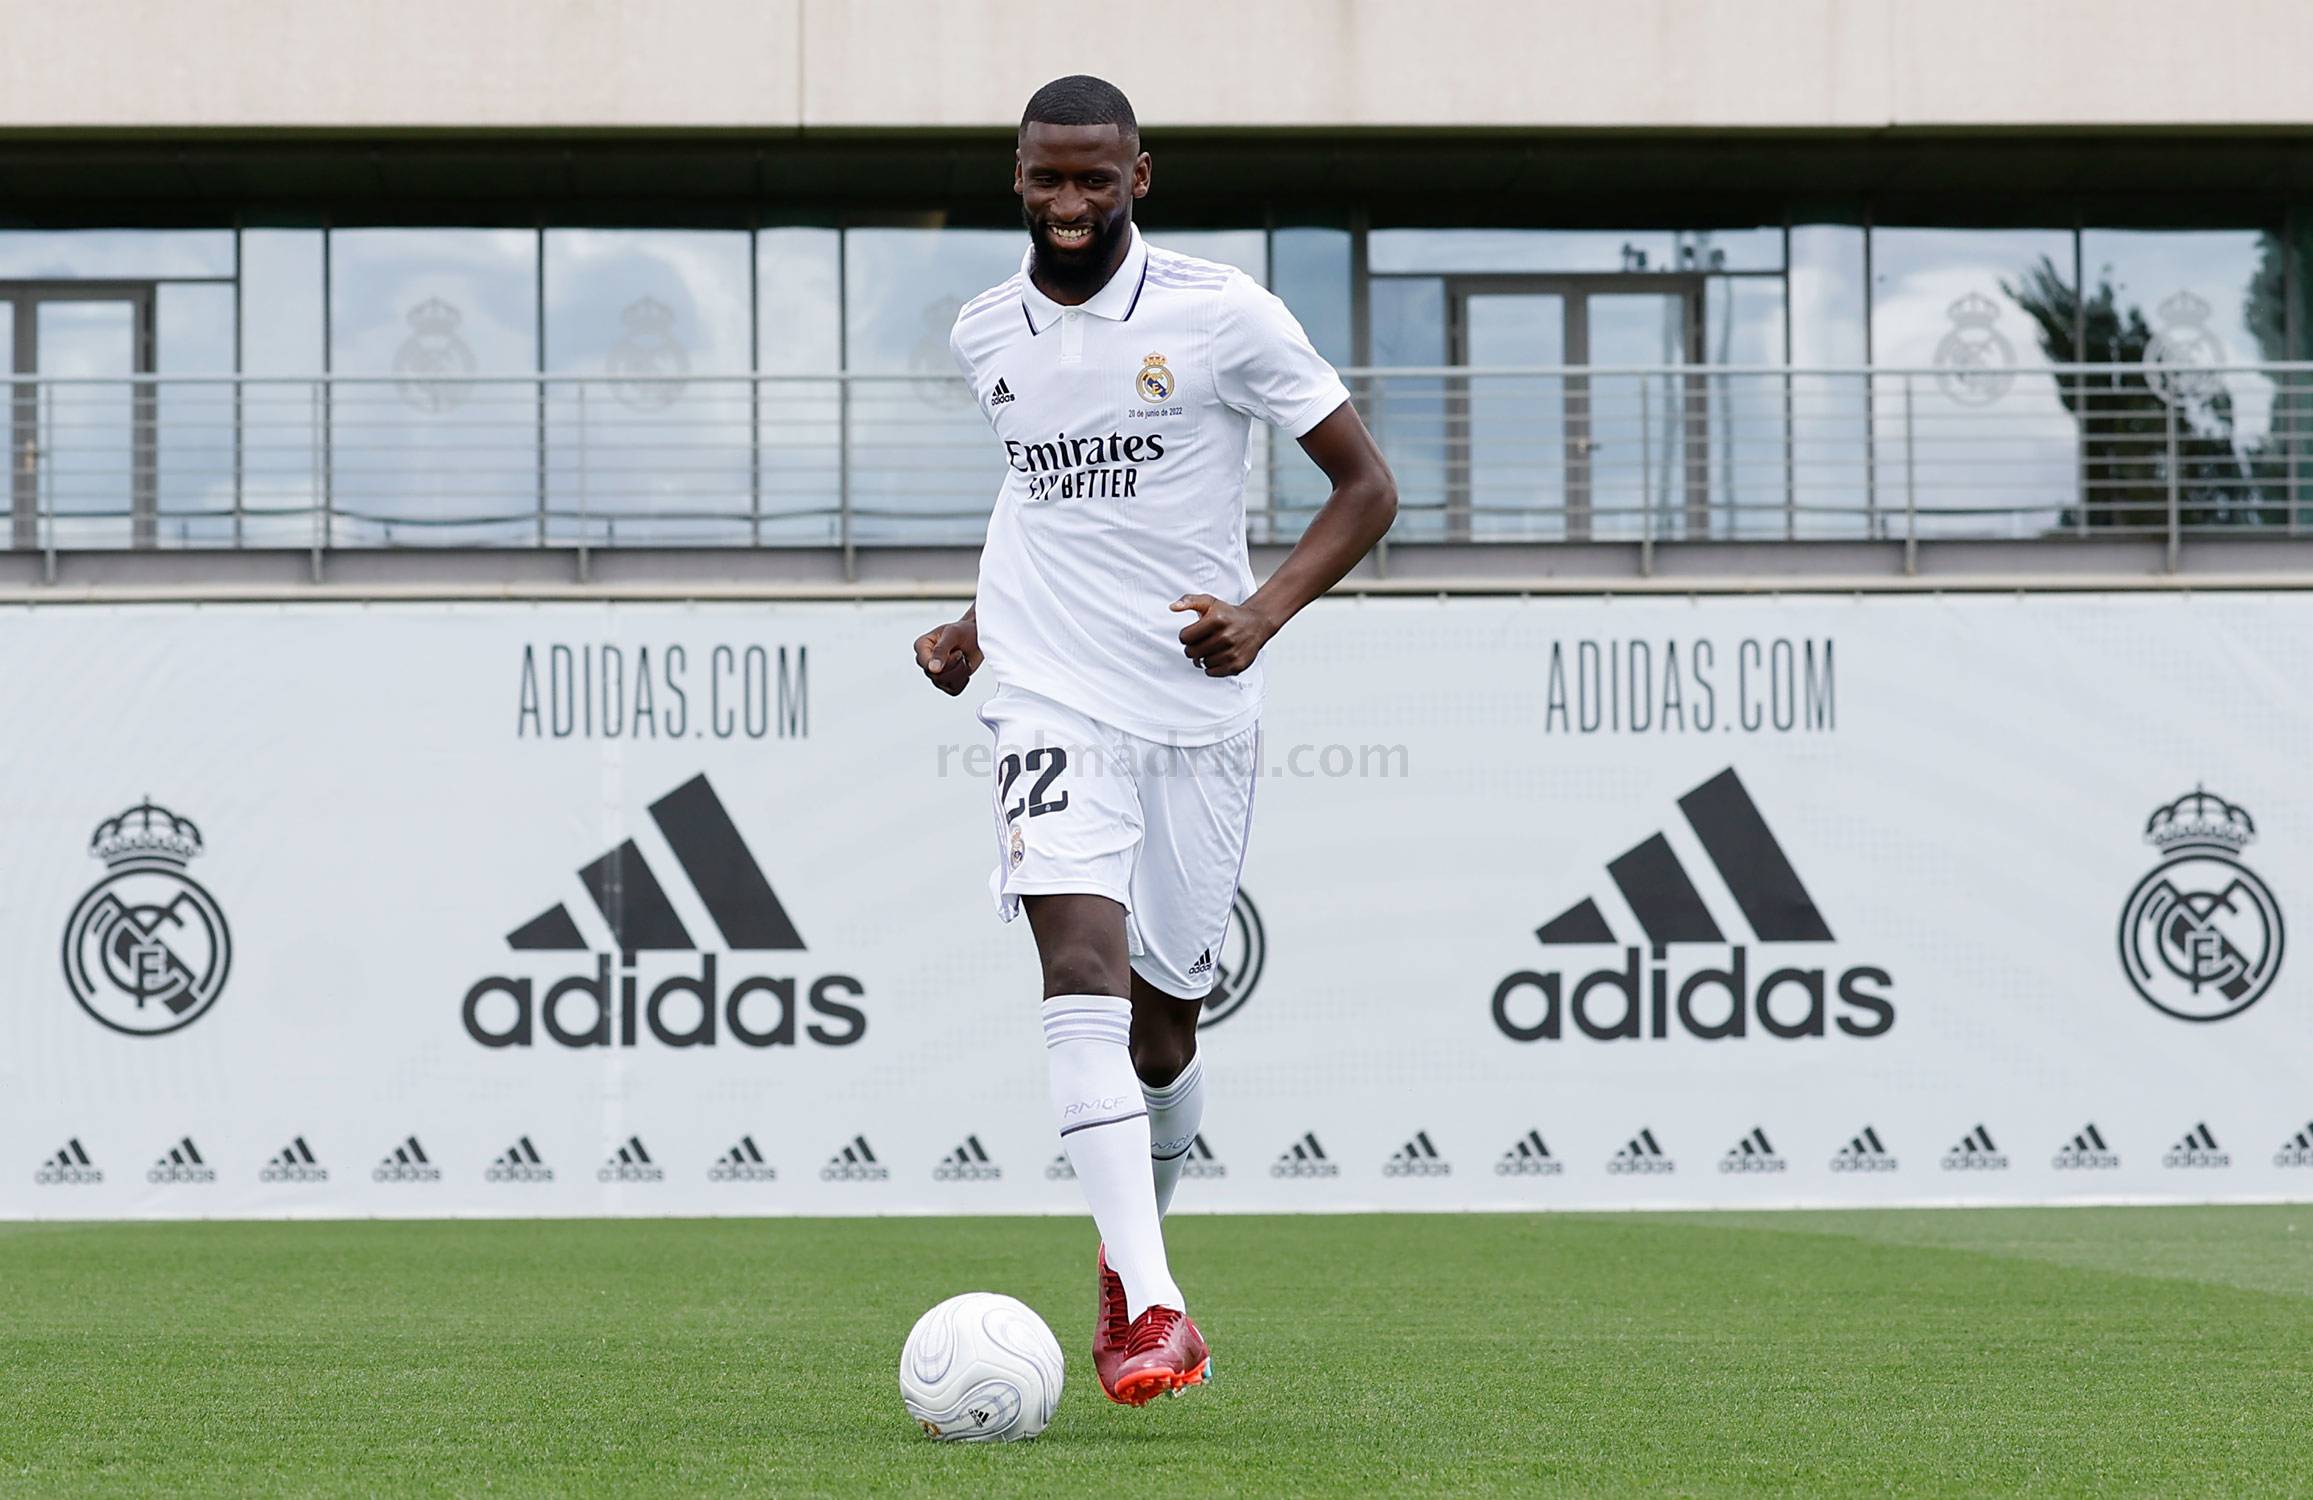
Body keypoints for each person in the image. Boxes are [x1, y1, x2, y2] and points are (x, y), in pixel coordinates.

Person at [913, 74, 1396, 1406]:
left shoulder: (1220, 314)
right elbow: (1041, 493)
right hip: (1047, 693)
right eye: (1045, 180)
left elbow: (1368, 486)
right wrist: (975, 623)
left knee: (1163, 1034)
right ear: (1014, 179)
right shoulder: (981, 330)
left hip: (1192, 708)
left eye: (1093, 180)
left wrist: (1262, 612)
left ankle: (1139, 1253)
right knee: (1077, 958)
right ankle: (1154, 1306)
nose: (1068, 204)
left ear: (1139, 177)